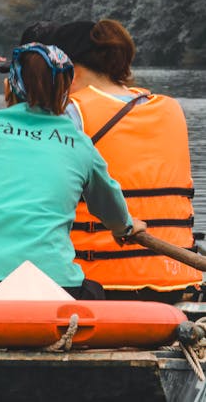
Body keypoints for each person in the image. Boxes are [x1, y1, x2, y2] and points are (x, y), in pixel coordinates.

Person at [0, 41, 145, 300]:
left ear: (8, 86)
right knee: (94, 294)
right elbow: (112, 209)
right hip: (52, 287)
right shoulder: (79, 144)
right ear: (65, 93)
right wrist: (124, 227)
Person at [53, 19, 202, 301]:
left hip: (96, 284)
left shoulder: (71, 113)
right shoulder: (171, 108)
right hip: (178, 278)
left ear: (67, 69)